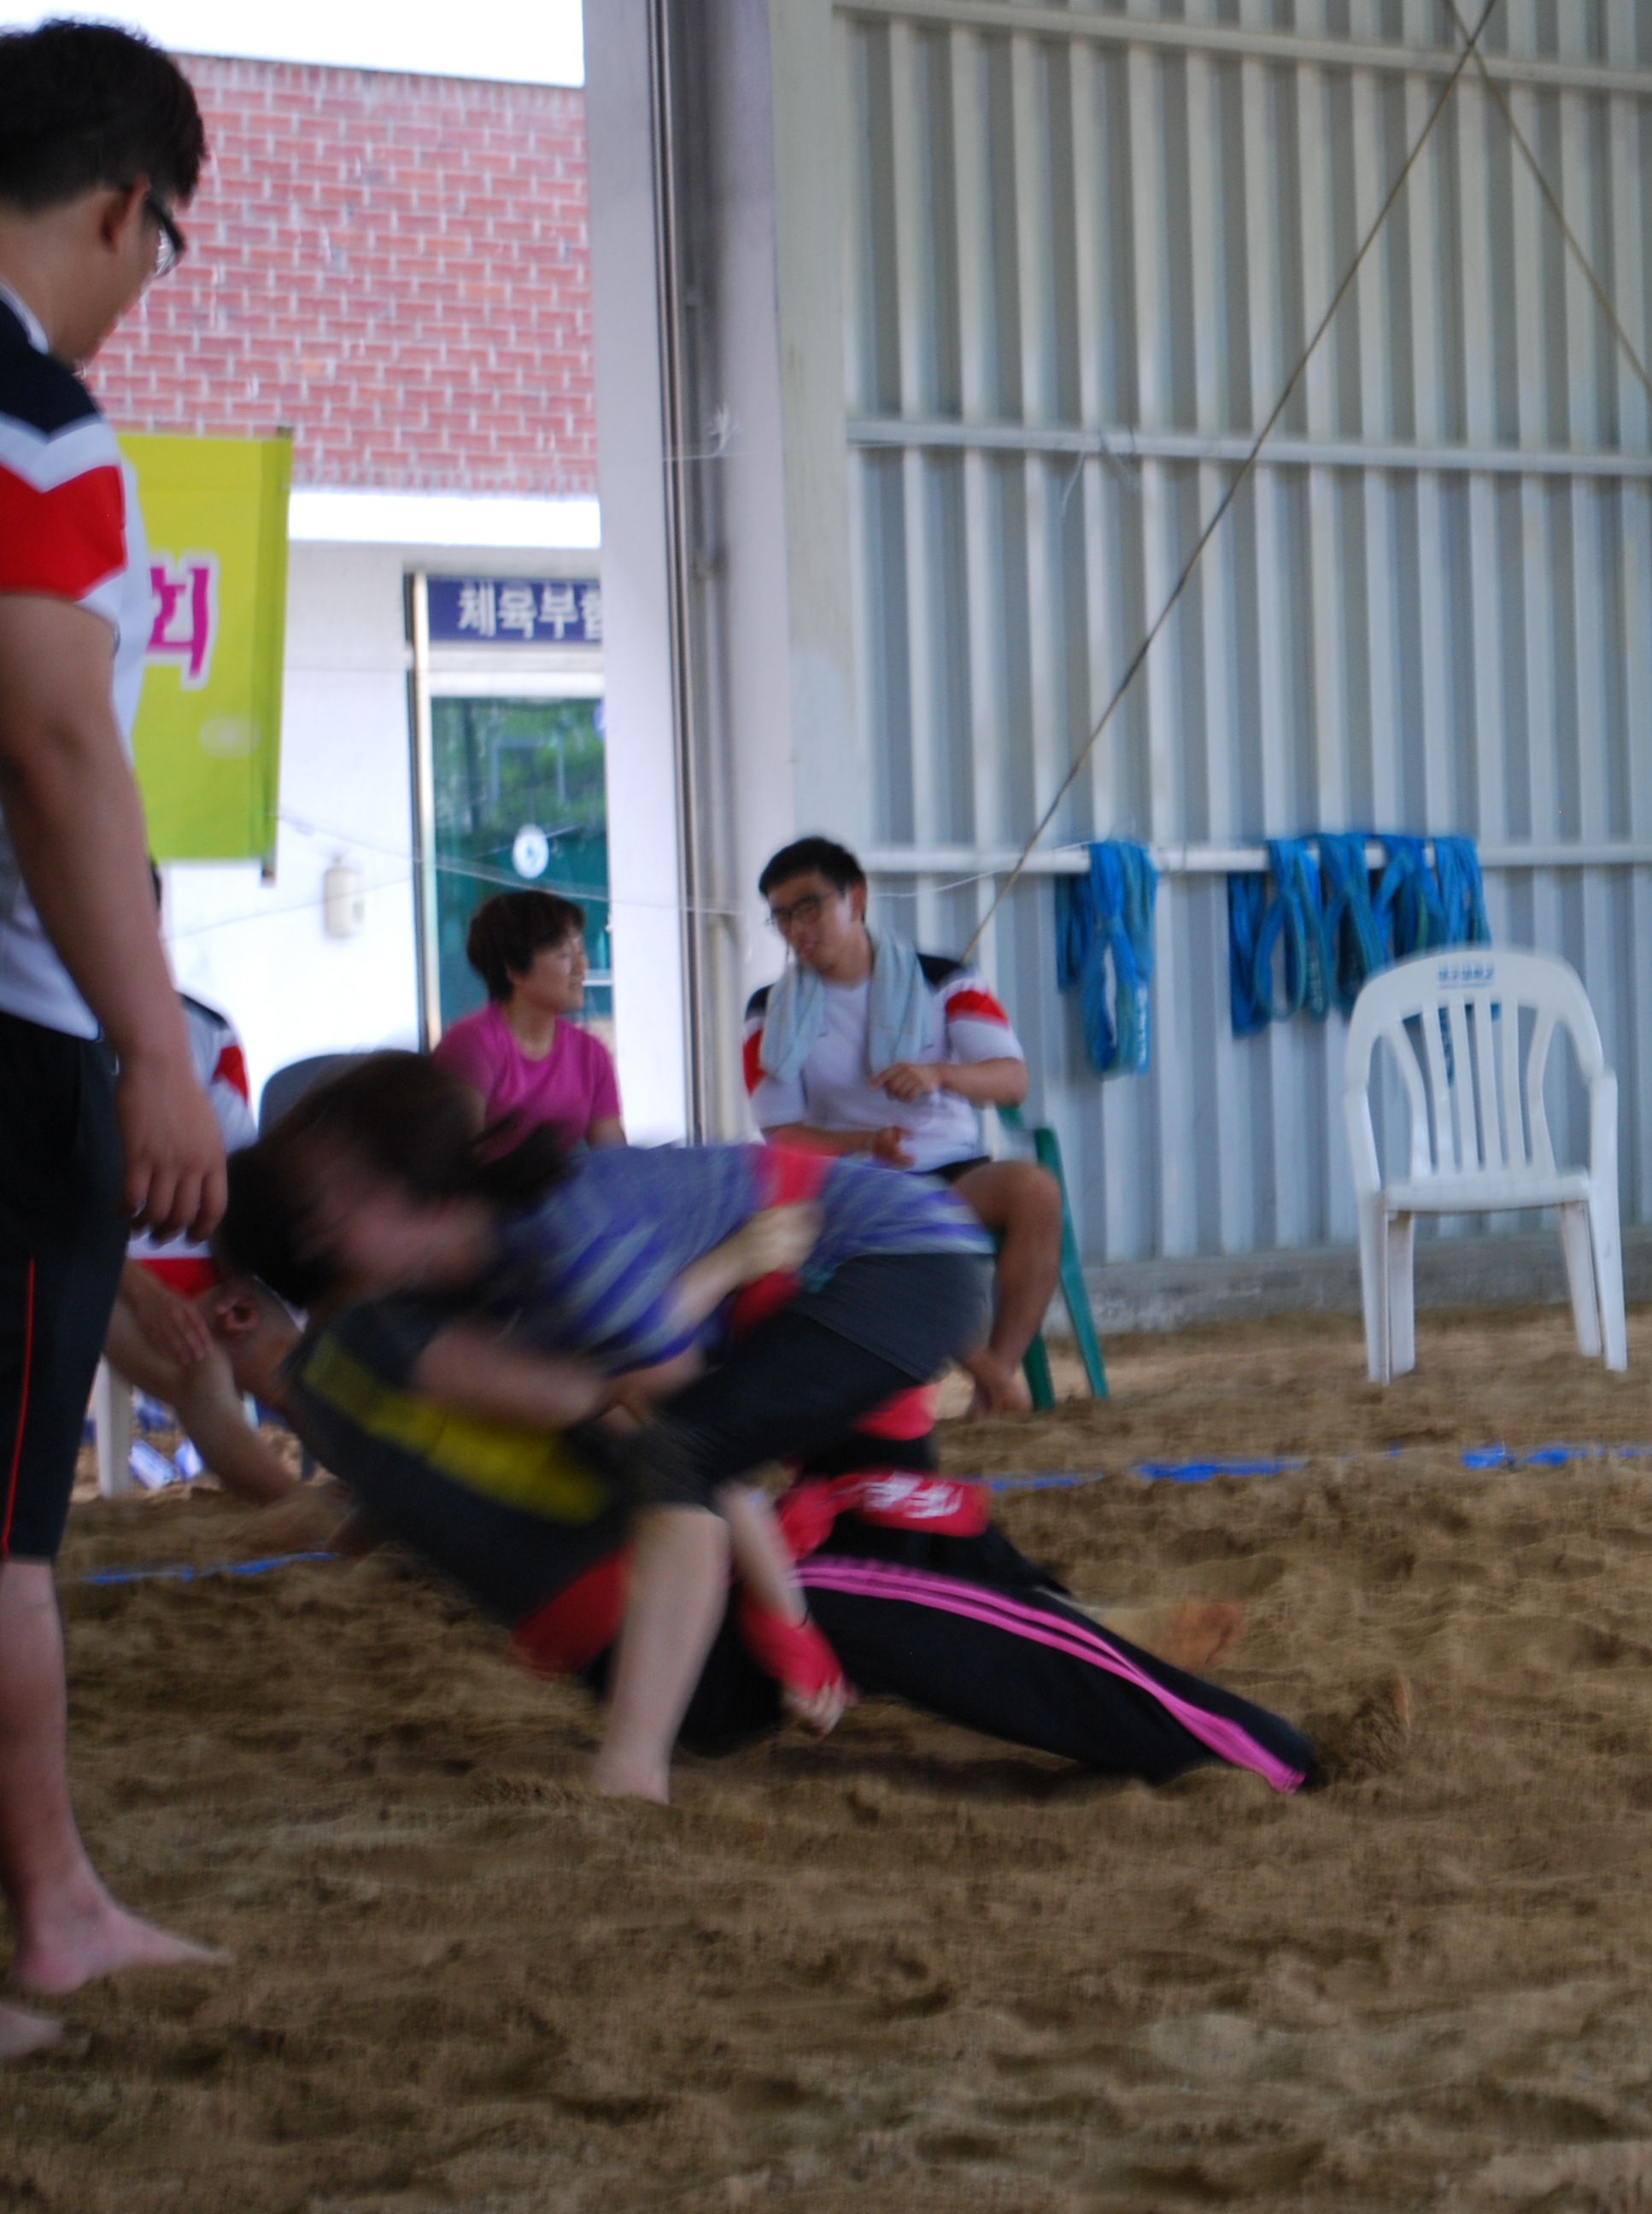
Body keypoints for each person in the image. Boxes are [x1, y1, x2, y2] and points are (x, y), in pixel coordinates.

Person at [218, 1053, 998, 1802]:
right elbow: (620, 1404)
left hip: (888, 1261)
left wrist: (787, 1623)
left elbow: (678, 1435)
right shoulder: (476, 1275)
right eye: (315, 1219)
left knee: (713, 1474)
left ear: (414, 1194)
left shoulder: (558, 1250)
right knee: (903, 1557)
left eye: (339, 1207)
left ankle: (632, 1774)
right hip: (822, 1279)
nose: (321, 1238)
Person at [205, 1281, 1342, 1794]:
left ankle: (1094, 1627)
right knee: (922, 1581)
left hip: (668, 1640)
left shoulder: (358, 1399)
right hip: (711, 1618)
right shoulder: (392, 1359)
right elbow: (684, 1461)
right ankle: (1271, 1757)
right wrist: (788, 1619)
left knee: (909, 1550)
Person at [0, 20, 226, 2059]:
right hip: (13, 1042)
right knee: (5, 1528)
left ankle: (61, 1896)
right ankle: (52, 1912)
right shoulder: (37, 423)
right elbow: (61, 746)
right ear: (121, 206)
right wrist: (156, 1047)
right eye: (164, 248)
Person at [744, 836, 1063, 1416]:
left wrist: (940, 1073)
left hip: (952, 1170)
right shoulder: (769, 1010)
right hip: (854, 1183)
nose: (796, 928)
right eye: (782, 916)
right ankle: (994, 1380)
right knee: (888, 1233)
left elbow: (1012, 1079)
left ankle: (998, 1374)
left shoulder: (944, 978)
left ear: (856, 899)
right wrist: (864, 1143)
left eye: (809, 907)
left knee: (1036, 1192)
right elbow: (782, 1134)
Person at [108, 939, 304, 1507]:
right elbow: (52, 1214)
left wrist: (239, 1278)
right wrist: (147, 1295)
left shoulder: (204, 1031)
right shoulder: (44, 1037)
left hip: (204, 1259)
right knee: (202, 1368)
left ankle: (395, 1501)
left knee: (291, 1364)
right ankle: (303, 1511)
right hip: (99, 1271)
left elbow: (233, 1178)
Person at [431, 888, 624, 1154]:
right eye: (564, 954)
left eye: (580, 951)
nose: (582, 967)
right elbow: (459, 1160)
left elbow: (614, 1160)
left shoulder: (591, 1054)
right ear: (514, 970)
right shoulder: (472, 1044)